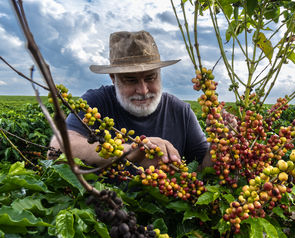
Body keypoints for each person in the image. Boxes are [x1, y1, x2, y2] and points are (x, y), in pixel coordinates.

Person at [49, 31, 210, 169]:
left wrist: (219, 145)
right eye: (131, 80)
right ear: (113, 78)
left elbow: (204, 168)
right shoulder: (96, 103)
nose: (143, 90)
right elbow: (56, 150)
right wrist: (130, 152)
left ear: (160, 74)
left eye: (150, 78)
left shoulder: (181, 111)